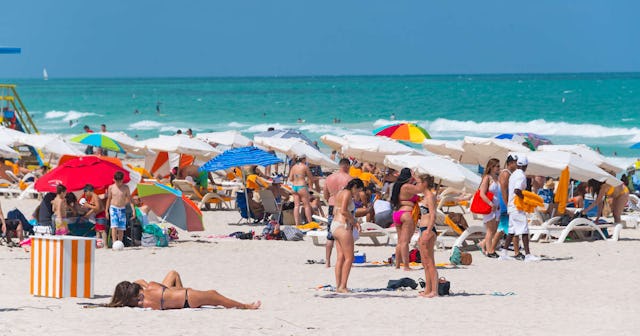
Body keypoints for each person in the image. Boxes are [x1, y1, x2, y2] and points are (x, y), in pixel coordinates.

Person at [107, 270, 260, 310]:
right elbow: (139, 281)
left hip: (183, 301)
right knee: (216, 296)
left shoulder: (143, 303)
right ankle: (246, 306)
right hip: (188, 297)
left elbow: (138, 284)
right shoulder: (150, 287)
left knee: (173, 275)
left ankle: (245, 306)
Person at [502, 155, 539, 262]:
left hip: (511, 206)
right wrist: (526, 200)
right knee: (524, 230)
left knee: (512, 231)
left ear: (518, 164)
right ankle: (528, 255)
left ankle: (504, 253)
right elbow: (517, 190)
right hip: (517, 207)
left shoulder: (513, 174)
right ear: (526, 166)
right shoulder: (521, 176)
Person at [331, 178, 365, 293]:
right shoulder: (347, 193)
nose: (357, 193)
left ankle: (338, 285)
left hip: (335, 225)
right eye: (358, 190)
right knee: (349, 258)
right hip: (342, 226)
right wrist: (355, 222)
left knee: (340, 257)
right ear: (354, 187)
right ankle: (343, 286)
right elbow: (344, 211)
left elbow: (336, 210)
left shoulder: (340, 192)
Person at [322, 158, 352, 268]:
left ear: (339, 165)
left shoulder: (329, 178)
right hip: (344, 208)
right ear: (347, 166)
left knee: (330, 236)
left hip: (331, 206)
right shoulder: (349, 179)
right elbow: (352, 197)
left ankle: (327, 262)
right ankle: (345, 260)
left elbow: (325, 195)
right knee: (345, 235)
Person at [390, 168, 421, 271]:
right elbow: (421, 189)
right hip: (406, 214)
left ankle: (398, 265)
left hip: (398, 214)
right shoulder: (407, 186)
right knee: (405, 242)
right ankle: (406, 266)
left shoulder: (398, 186)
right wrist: (416, 178)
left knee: (400, 241)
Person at [415, 174, 437, 297]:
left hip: (428, 229)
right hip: (423, 229)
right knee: (424, 262)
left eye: (418, 182)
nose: (417, 185)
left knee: (430, 262)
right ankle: (428, 289)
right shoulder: (424, 196)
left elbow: (433, 215)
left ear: (424, 183)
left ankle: (434, 290)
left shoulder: (430, 196)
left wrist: (428, 231)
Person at [493, 155, 519, 257]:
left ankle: (488, 248)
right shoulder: (506, 173)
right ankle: (517, 252)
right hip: (505, 205)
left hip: (505, 205)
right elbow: (504, 190)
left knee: (502, 229)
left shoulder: (509, 173)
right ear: (510, 163)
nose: (517, 165)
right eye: (515, 162)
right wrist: (508, 204)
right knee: (513, 229)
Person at [106, 171, 135, 248]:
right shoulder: (111, 187)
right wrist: (106, 211)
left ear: (122, 180)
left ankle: (120, 243)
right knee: (114, 226)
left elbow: (130, 199)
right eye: (117, 181)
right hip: (113, 208)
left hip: (122, 208)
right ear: (114, 180)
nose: (119, 183)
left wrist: (133, 210)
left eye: (120, 181)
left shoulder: (126, 188)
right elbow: (108, 199)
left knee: (121, 227)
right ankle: (114, 243)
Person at [478, 158, 501, 258]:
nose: (499, 168)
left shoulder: (497, 178)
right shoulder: (487, 178)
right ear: (491, 167)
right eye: (497, 166)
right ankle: (490, 251)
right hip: (489, 207)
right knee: (490, 230)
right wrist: (491, 204)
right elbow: (482, 194)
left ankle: (483, 244)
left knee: (495, 230)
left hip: (497, 207)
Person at [287, 155, 314, 226]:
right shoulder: (305, 167)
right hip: (302, 186)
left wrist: (297, 177)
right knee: (307, 205)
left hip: (294, 187)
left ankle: (297, 224)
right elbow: (311, 178)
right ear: (303, 159)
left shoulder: (293, 167)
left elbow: (290, 179)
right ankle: (310, 223)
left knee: (296, 206)